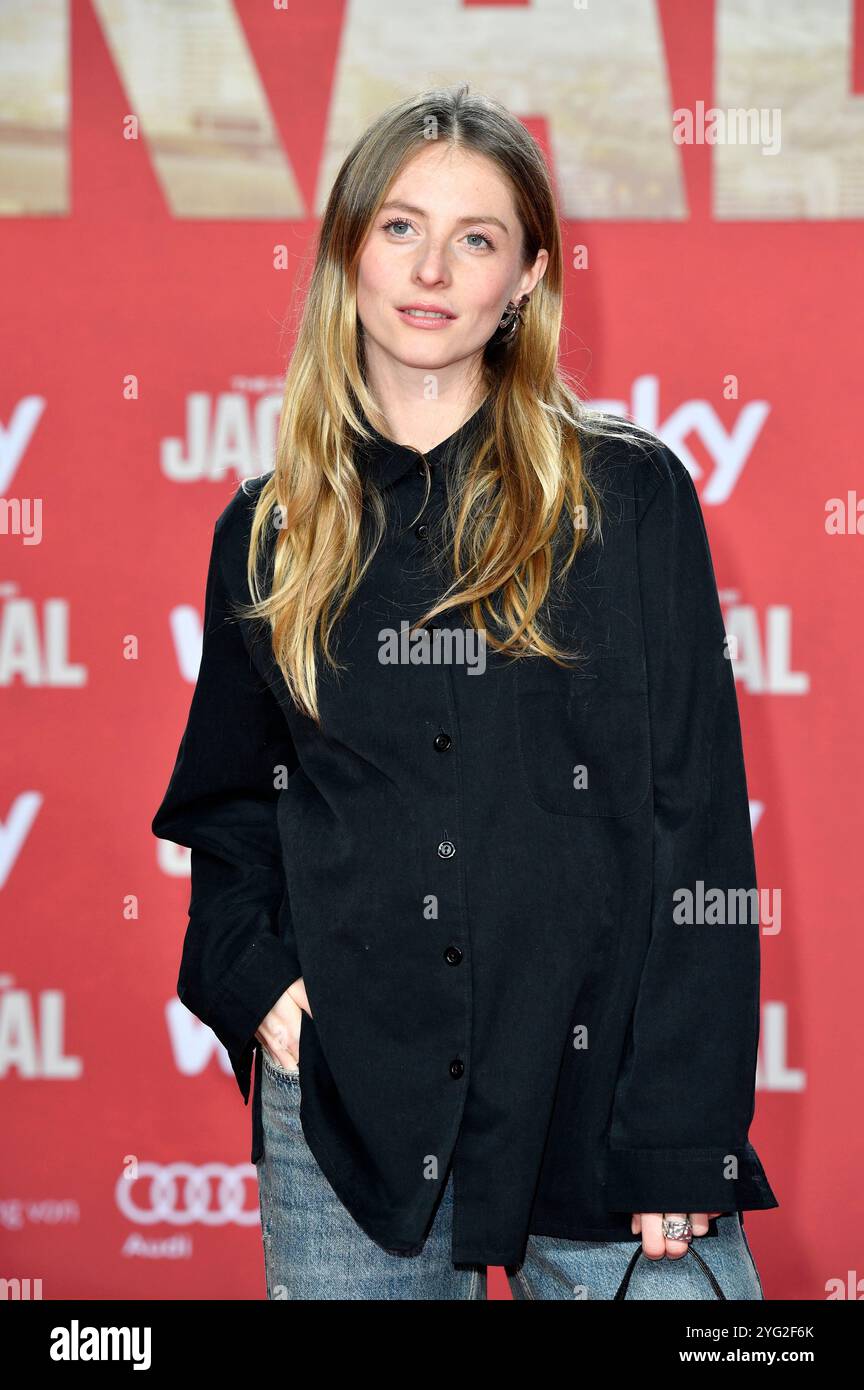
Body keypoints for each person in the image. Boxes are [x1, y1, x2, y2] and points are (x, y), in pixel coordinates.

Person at [152, 83, 778, 1301]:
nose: (432, 268)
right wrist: (264, 996)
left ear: (526, 276)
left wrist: (679, 1133)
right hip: (349, 1111)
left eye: (476, 237)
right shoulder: (272, 527)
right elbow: (230, 812)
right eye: (399, 226)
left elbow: (693, 826)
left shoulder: (628, 500)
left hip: (600, 1110)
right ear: (346, 251)